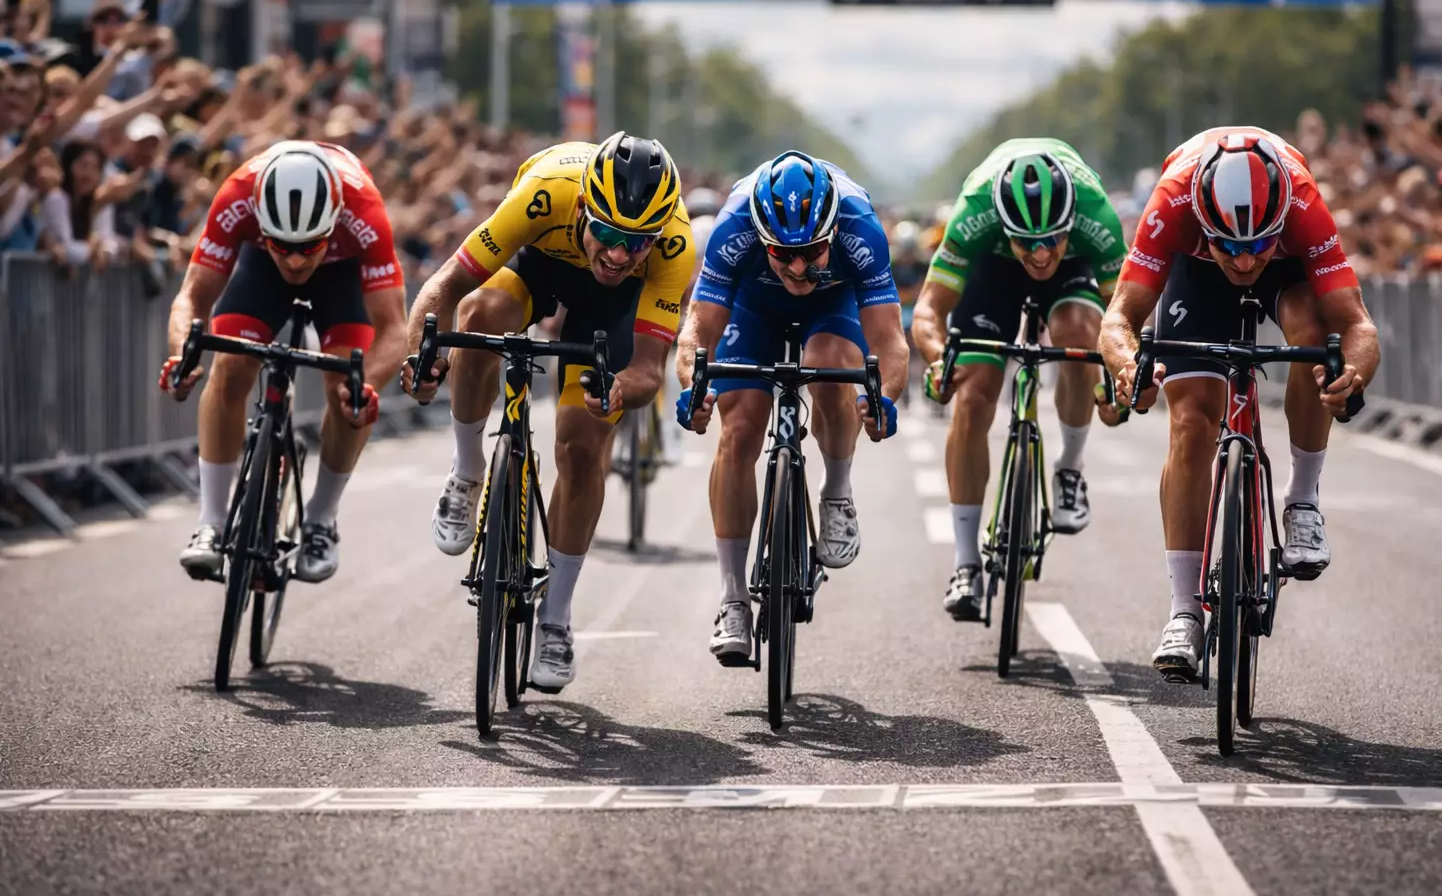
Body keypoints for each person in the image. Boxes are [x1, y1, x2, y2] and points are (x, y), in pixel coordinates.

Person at [400, 132, 695, 694]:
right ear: (584, 208)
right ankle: (468, 471)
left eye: (636, 244)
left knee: (582, 447)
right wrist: (421, 357)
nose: (617, 254)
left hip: (613, 309)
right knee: (481, 312)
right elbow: (445, 287)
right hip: (542, 263)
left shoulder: (673, 244)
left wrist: (618, 392)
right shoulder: (545, 193)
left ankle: (555, 618)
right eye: (607, 234)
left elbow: (648, 371)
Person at [1096, 127, 1379, 681]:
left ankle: (1301, 500)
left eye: (1256, 247)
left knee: (1313, 340)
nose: (1245, 261)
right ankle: (1183, 612)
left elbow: (1357, 325)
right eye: (1231, 246)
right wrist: (1129, 367)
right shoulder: (1173, 199)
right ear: (1204, 219)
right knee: (1193, 421)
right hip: (1195, 277)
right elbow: (1119, 319)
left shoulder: (1301, 202)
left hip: (1289, 272)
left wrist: (1352, 374)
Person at [674, 151, 907, 665]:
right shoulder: (733, 226)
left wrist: (882, 397)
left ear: (832, 232)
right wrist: (694, 384)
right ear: (761, 237)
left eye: (813, 251)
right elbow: (697, 331)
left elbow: (889, 341)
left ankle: (837, 489)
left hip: (833, 305)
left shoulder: (860, 226)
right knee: (739, 427)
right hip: (752, 307)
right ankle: (732, 599)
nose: (799, 266)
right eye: (783, 253)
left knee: (829, 368)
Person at [160, 140, 407, 584]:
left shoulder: (363, 210)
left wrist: (365, 383)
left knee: (346, 388)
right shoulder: (237, 195)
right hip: (259, 271)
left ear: (332, 223)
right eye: (284, 244)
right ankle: (211, 525)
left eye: (308, 245)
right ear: (261, 220)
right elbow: (192, 298)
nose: (294, 259)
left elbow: (394, 330)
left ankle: (320, 520)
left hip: (341, 272)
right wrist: (182, 354)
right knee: (231, 368)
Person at [910, 140, 1126, 622]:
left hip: (1076, 274)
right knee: (973, 390)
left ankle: (1069, 467)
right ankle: (965, 563)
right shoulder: (974, 211)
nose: (1042, 252)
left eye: (1052, 238)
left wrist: (1119, 377)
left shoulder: (1097, 216)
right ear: (1004, 225)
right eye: (1028, 241)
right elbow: (929, 309)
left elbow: (1125, 316)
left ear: (1070, 223)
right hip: (993, 271)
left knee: (1079, 337)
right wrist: (938, 359)